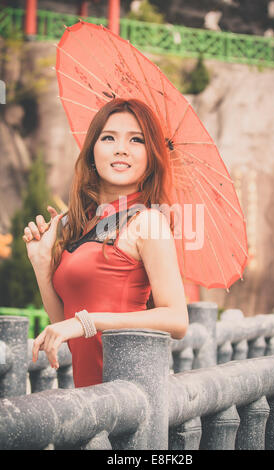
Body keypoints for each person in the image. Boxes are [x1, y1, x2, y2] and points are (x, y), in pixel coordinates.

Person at [22, 98, 189, 388]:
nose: (121, 148)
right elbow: (65, 321)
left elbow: (177, 319)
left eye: (136, 140)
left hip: (129, 395)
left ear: (151, 156)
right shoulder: (85, 222)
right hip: (90, 396)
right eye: (109, 137)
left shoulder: (147, 221)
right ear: (92, 152)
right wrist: (41, 263)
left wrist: (88, 322)